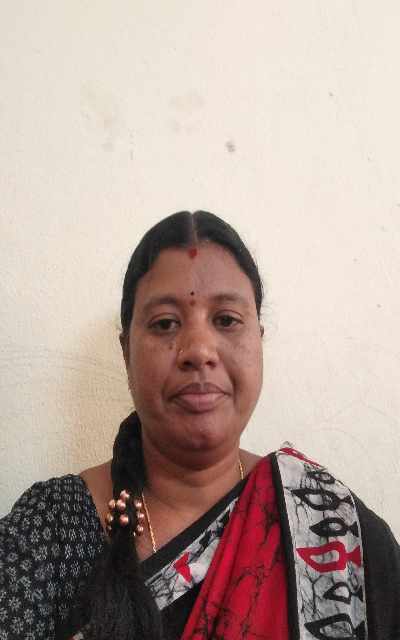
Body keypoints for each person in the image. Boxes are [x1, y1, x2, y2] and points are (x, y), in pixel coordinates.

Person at [1, 210, 399, 640]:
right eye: (165, 324)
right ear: (126, 351)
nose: (199, 350)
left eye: (226, 320)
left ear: (259, 340)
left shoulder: (331, 526)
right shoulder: (52, 531)